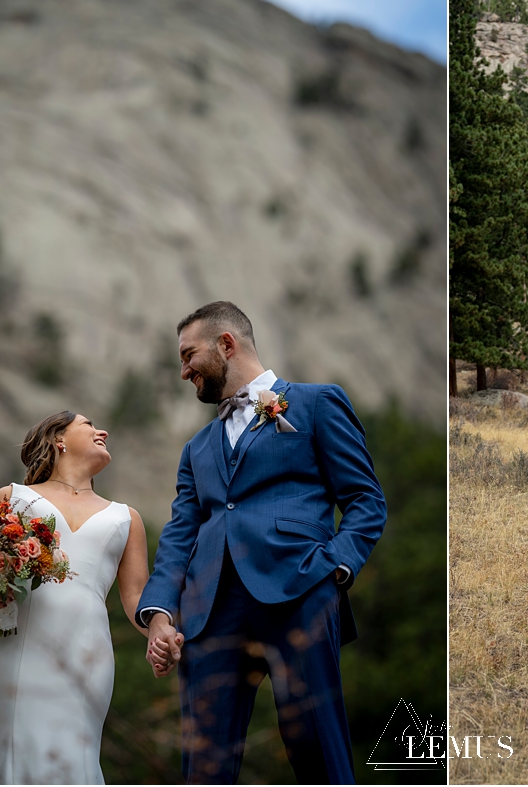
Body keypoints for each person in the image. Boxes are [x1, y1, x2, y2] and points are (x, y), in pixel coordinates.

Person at [136, 301, 386, 785]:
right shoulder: (196, 449)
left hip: (299, 591)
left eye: (189, 356)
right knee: (204, 766)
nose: (184, 371)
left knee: (316, 749)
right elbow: (178, 538)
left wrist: (334, 569)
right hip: (209, 612)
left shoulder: (316, 403)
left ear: (226, 345)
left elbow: (365, 500)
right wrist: (160, 614)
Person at [0, 411, 157, 785]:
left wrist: (161, 632)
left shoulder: (126, 518)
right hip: (16, 642)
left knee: (74, 752)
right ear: (58, 440)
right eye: (88, 425)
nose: (103, 431)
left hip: (87, 650)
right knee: (10, 743)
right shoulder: (11, 497)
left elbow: (136, 597)